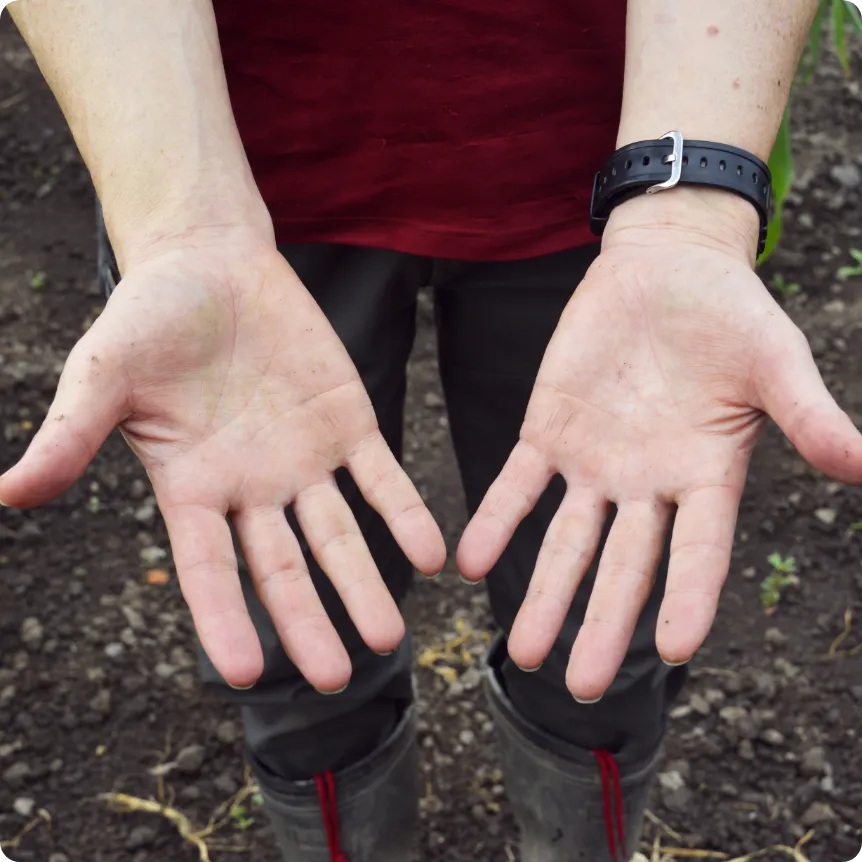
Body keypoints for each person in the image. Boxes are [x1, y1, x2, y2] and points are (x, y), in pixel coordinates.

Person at [3, 1, 860, 860]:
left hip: (610, 158)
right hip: (228, 167)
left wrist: (687, 211)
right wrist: (177, 221)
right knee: (295, 619)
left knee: (598, 618)